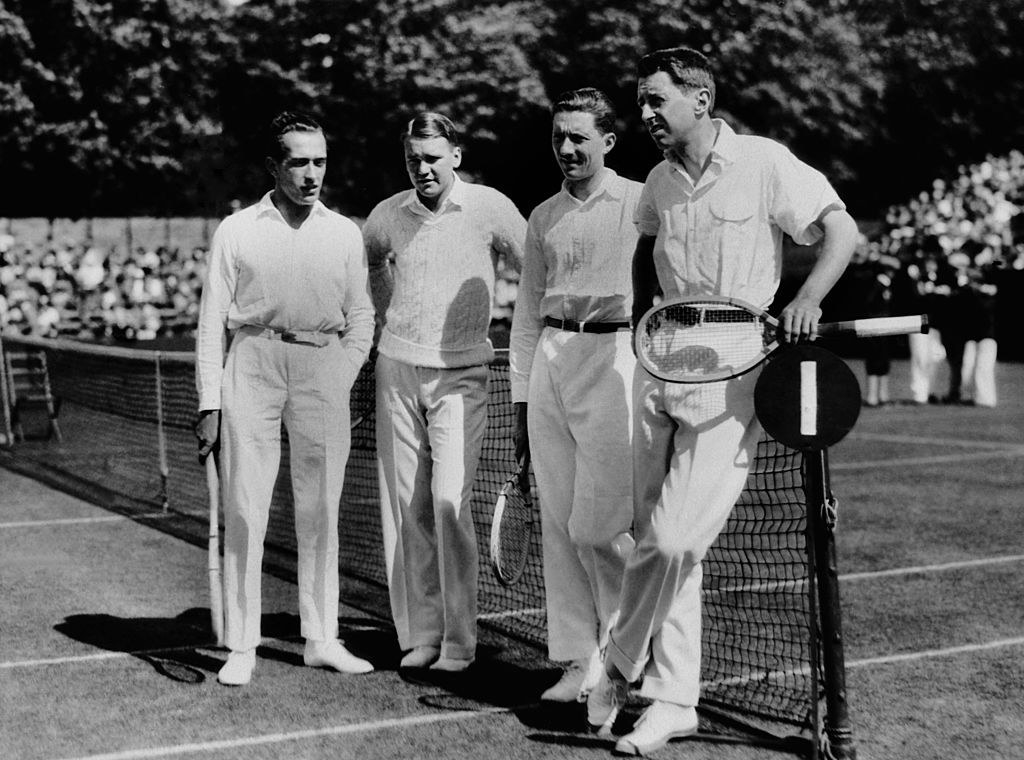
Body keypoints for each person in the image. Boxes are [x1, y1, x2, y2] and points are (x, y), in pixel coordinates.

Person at [586, 47, 859, 755]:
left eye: (656, 100)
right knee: (664, 542)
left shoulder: (766, 161)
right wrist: (648, 321)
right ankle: (674, 702)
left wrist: (806, 297)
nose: (644, 113)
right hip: (661, 363)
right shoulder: (656, 180)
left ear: (700, 99)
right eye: (641, 101)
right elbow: (646, 248)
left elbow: (842, 230)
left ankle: (617, 664)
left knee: (675, 538)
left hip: (736, 370)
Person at [194, 111, 375, 686]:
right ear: (274, 165)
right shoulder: (237, 229)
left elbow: (363, 315)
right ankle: (242, 646)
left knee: (321, 509)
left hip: (323, 367)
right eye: (298, 161)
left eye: (319, 160)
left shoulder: (345, 231)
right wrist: (209, 404)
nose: (311, 173)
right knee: (247, 507)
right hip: (251, 364)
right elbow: (208, 326)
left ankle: (321, 639)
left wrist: (340, 373)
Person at [363, 112, 526, 673]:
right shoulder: (388, 214)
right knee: (408, 511)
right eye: (413, 158)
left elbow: (535, 267)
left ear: (456, 155)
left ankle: (461, 642)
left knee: (449, 504)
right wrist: (389, 316)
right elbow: (369, 264)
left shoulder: (490, 207)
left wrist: (527, 334)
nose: (422, 168)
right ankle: (422, 635)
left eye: (432, 157)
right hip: (397, 370)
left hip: (464, 374)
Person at [508, 88, 642, 702]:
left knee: (604, 526)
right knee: (560, 522)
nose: (566, 148)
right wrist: (520, 400)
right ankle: (573, 660)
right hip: (551, 363)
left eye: (579, 137)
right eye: (558, 137)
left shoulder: (643, 203)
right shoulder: (541, 216)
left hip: (617, 360)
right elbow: (527, 319)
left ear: (608, 142)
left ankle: (621, 660)